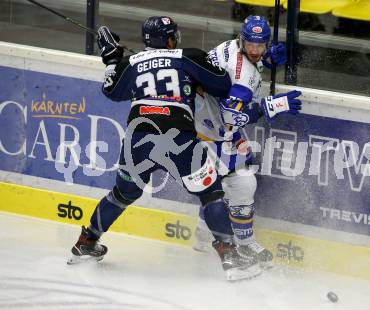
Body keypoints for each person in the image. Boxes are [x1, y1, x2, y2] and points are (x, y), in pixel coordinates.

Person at [67, 16, 262, 281]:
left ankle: (86, 242)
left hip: (138, 140)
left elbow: (112, 91)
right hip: (177, 137)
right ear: (170, 39)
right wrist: (195, 81)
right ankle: (230, 256)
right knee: (211, 194)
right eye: (174, 36)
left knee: (121, 195)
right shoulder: (187, 56)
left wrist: (112, 59)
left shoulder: (131, 63)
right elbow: (222, 84)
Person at [192, 15, 302, 268]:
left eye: (260, 45)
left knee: (224, 183)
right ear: (243, 39)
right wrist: (271, 105)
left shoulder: (231, 47)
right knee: (242, 183)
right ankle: (243, 243)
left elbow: (238, 69)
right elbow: (233, 117)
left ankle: (203, 234)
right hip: (213, 132)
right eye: (251, 45)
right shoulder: (245, 77)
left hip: (204, 124)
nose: (255, 50)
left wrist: (266, 59)